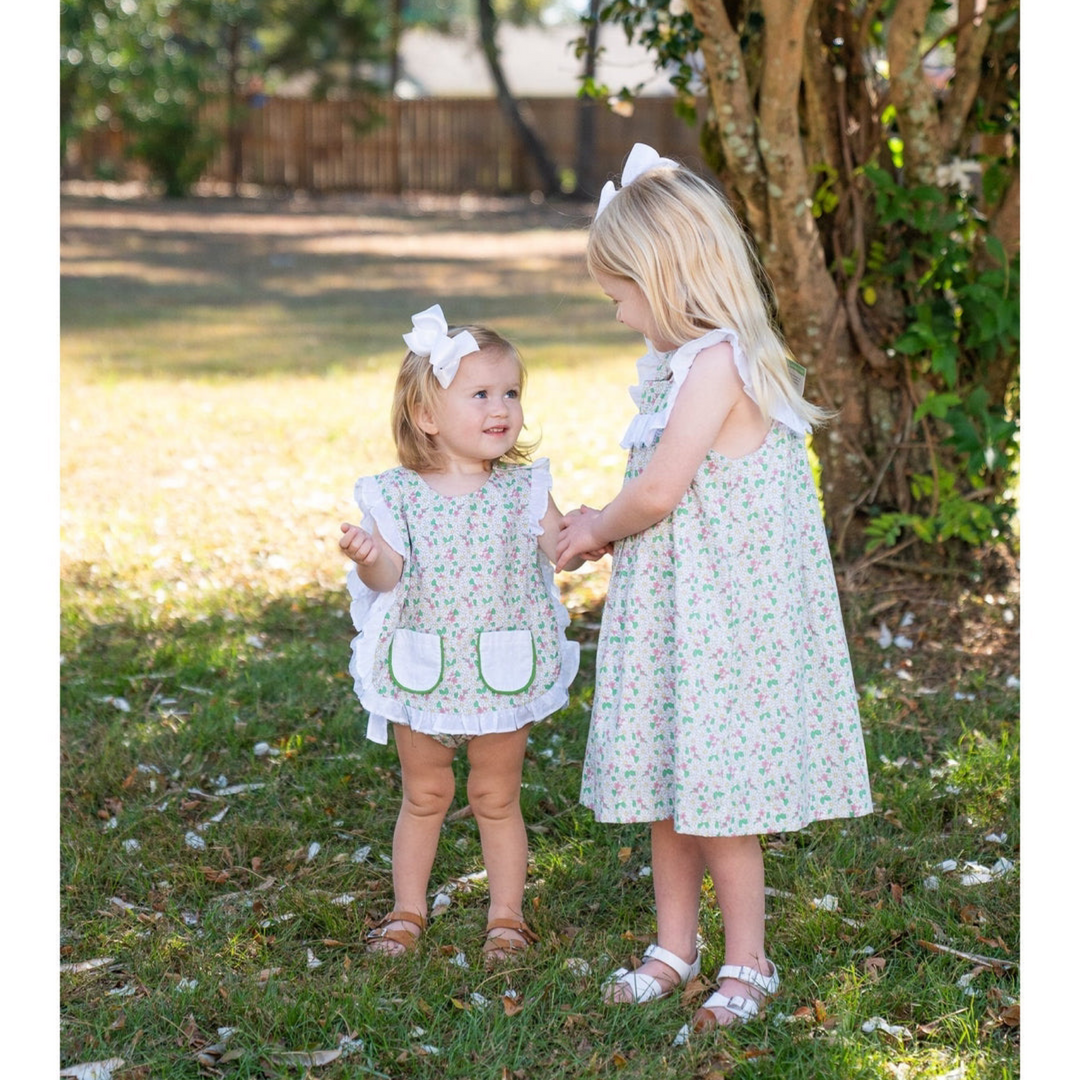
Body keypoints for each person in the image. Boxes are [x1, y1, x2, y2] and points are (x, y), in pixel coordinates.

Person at [556, 144, 873, 1030]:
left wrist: (594, 528)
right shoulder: (676, 366)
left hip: (725, 626)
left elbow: (658, 493)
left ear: (667, 277)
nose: (618, 313)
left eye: (621, 294)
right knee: (670, 786)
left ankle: (748, 959)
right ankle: (673, 945)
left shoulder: (719, 363)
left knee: (720, 801)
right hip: (677, 622)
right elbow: (655, 492)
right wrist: (595, 517)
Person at [341, 304, 582, 966]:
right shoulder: (396, 496)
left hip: (502, 674)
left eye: (510, 393)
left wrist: (596, 529)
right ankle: (406, 911)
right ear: (427, 415)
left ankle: (507, 917)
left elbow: (562, 547)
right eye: (480, 394)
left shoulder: (524, 490)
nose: (501, 407)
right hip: (423, 671)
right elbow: (389, 577)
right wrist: (368, 555)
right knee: (424, 796)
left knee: (494, 797)